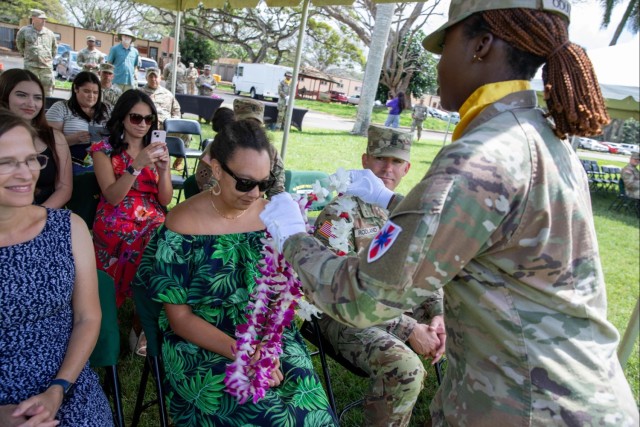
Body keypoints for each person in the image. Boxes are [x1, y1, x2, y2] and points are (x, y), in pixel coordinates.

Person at [259, 1, 640, 425]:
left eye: (446, 47)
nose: (437, 65)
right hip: (567, 396)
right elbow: (488, 235)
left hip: (526, 406)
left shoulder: (482, 156)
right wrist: (392, 203)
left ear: (481, 45)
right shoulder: (540, 135)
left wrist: (293, 234)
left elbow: (363, 298)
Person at [133, 119, 337, 426]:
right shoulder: (181, 224)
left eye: (264, 183)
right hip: (200, 340)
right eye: (244, 182)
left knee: (311, 416)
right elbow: (180, 319)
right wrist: (246, 353)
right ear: (216, 169)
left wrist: (265, 349)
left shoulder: (273, 217)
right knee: (265, 417)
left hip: (268, 335)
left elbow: (280, 292)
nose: (255, 193)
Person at [313, 124, 444, 427]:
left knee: (474, 332)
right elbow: (340, 290)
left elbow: (427, 272)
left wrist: (438, 315)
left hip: (400, 310)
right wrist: (409, 328)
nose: (388, 168)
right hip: (345, 315)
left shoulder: (406, 210)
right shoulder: (340, 212)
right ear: (364, 161)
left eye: (396, 161)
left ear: (407, 167)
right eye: (380, 159)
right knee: (405, 366)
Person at [0, 109, 113, 426]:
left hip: (65, 384)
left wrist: (58, 389)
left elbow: (87, 317)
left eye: (32, 159)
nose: (26, 173)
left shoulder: (68, 228)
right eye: (6, 162)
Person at [91, 89, 172, 309]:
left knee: (170, 241)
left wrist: (164, 171)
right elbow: (113, 197)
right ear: (122, 117)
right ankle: (128, 304)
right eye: (136, 117)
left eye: (148, 119)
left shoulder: (155, 151)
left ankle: (147, 312)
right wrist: (136, 166)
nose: (143, 124)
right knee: (139, 242)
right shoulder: (103, 150)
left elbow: (165, 200)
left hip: (152, 215)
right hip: (115, 216)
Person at [0, 69, 72, 208]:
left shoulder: (54, 137)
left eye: (38, 98)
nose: (31, 103)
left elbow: (64, 188)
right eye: (22, 95)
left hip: (44, 213)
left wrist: (35, 216)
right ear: (4, 95)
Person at [194, 98, 286, 197]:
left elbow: (277, 192)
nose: (251, 127)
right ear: (235, 122)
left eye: (256, 123)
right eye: (247, 122)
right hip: (223, 206)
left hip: (255, 206)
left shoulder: (269, 151)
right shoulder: (217, 148)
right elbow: (208, 189)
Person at [46, 71, 111, 175]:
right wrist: (73, 139)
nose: (91, 96)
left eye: (95, 92)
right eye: (86, 91)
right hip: (70, 162)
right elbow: (47, 141)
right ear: (76, 89)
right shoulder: (61, 107)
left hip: (103, 161)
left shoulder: (106, 109)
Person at [140, 67, 185, 170]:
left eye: (155, 76)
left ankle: (179, 159)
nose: (153, 79)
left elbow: (176, 110)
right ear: (146, 78)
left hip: (167, 128)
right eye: (151, 76)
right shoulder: (140, 93)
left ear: (160, 78)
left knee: (186, 133)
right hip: (148, 127)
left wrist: (174, 122)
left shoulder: (168, 94)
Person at [15, 9, 56, 96]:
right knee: (28, 90)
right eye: (41, 18)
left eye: (44, 19)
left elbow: (54, 49)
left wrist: (47, 59)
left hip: (46, 68)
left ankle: (46, 109)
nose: (43, 20)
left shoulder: (50, 34)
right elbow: (20, 45)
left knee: (47, 92)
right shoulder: (24, 31)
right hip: (30, 66)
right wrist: (28, 56)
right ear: (33, 18)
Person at [106, 28, 140, 93]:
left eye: (129, 36)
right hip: (116, 80)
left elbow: (135, 66)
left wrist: (136, 74)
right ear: (121, 37)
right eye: (125, 35)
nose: (127, 37)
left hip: (130, 82)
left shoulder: (135, 52)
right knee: (115, 100)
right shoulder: (114, 49)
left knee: (128, 101)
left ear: (131, 39)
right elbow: (109, 64)